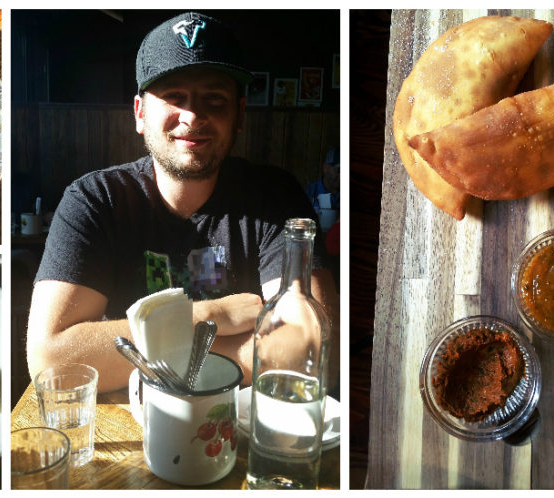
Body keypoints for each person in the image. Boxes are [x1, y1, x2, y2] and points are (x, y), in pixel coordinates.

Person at [27, 12, 338, 392]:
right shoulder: (95, 200)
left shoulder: (276, 198)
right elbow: (52, 361)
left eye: (215, 99)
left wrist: (136, 351)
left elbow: (312, 350)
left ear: (239, 115)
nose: (193, 115)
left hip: (235, 428)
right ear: (140, 113)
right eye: (174, 96)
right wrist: (208, 317)